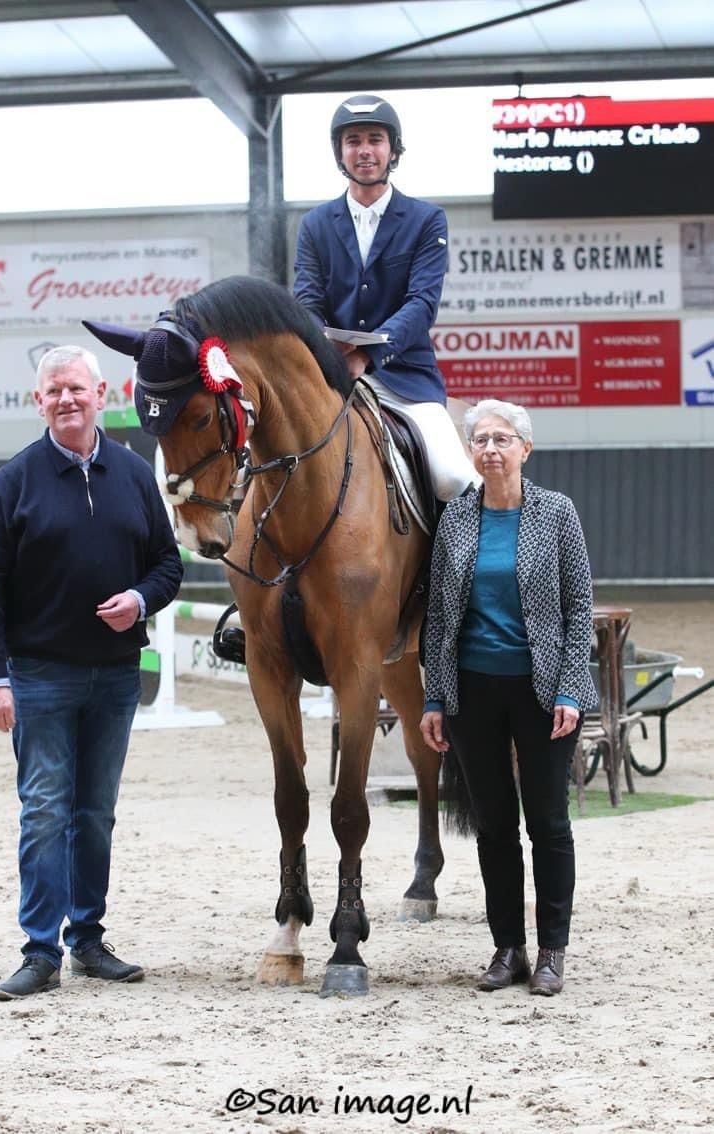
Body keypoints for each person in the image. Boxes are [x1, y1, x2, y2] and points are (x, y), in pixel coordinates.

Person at [0, 345, 183, 1000]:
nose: (66, 399)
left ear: (102, 394)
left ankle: (87, 939)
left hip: (116, 676)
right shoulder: (15, 480)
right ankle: (39, 952)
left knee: (95, 814)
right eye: (54, 390)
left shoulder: (134, 474)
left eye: (77, 389)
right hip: (38, 676)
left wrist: (141, 600)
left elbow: (167, 565)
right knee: (44, 810)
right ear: (39, 402)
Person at [419, 398, 597, 996]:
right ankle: (507, 948)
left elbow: (579, 610)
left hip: (543, 691)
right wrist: (434, 698)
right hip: (472, 690)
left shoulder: (557, 514)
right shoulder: (457, 519)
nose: (490, 449)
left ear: (526, 448)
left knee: (548, 822)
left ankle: (552, 950)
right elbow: (440, 614)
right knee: (494, 826)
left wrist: (572, 686)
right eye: (481, 440)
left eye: (502, 439)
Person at [293, 92, 477, 502]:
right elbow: (307, 301)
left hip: (405, 377)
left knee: (452, 477)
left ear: (392, 149)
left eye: (375, 139)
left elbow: (422, 304)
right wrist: (330, 353)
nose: (364, 150)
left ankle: (457, 565)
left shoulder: (426, 219)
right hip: (331, 374)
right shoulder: (315, 224)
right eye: (353, 140)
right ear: (339, 152)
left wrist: (368, 356)